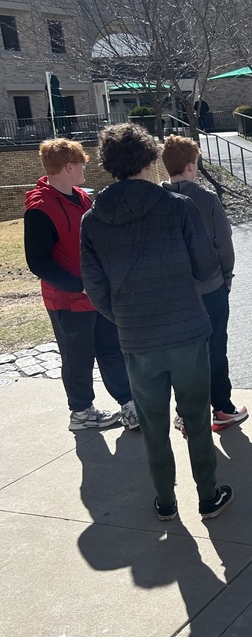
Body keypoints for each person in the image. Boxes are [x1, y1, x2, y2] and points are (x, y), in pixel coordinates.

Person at [80, 123, 234, 521]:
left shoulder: (92, 221)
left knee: (153, 424)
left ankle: (166, 500)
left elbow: (95, 289)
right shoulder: (178, 207)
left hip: (137, 338)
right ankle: (207, 494)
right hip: (185, 330)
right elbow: (205, 265)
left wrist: (126, 318)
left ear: (108, 165)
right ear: (150, 160)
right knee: (196, 418)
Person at [24, 138, 137, 432]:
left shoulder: (82, 197)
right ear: (69, 166)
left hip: (97, 296)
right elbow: (38, 262)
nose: (86, 168)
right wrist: (78, 285)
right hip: (67, 301)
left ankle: (129, 404)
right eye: (82, 163)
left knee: (112, 350)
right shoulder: (39, 208)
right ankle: (82, 413)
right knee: (78, 358)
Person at [161, 135, 248, 433]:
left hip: (173, 292)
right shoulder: (206, 199)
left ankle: (185, 413)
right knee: (215, 348)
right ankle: (222, 408)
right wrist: (227, 277)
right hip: (209, 287)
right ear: (190, 165)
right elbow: (224, 243)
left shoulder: (157, 200)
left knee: (182, 353)